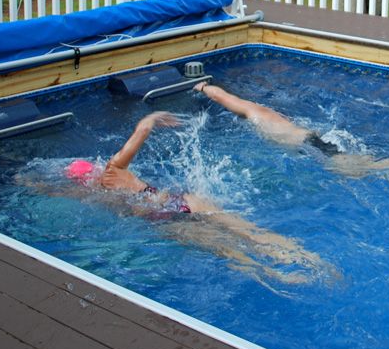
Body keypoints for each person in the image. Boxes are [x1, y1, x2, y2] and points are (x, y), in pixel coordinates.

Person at [54, 111, 335, 285]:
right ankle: (310, 257)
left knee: (227, 250)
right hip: (185, 200)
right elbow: (140, 132)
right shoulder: (114, 169)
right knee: (248, 230)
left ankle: (279, 276)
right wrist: (150, 118)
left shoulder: (100, 193)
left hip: (162, 217)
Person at [193, 81, 389, 175]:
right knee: (364, 167)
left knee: (368, 170)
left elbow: (222, 96)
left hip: (310, 147)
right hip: (312, 142)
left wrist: (204, 87)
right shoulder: (268, 114)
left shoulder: (251, 112)